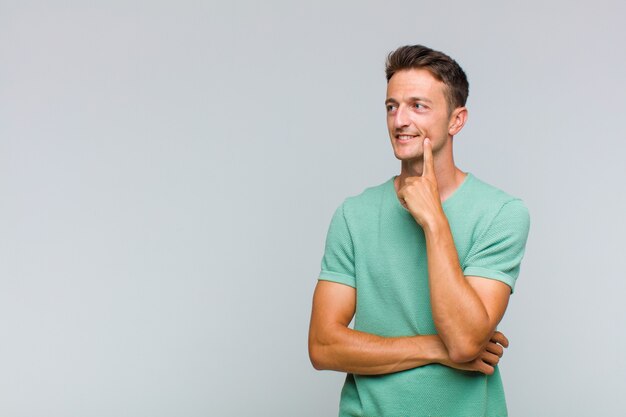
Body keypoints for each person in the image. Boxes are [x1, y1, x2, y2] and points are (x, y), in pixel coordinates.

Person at [308, 45, 531, 417]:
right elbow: (323, 346)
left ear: (456, 121)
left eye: (418, 106)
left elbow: (463, 341)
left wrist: (434, 220)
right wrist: (433, 347)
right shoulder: (353, 215)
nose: (400, 121)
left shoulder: (502, 214)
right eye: (391, 106)